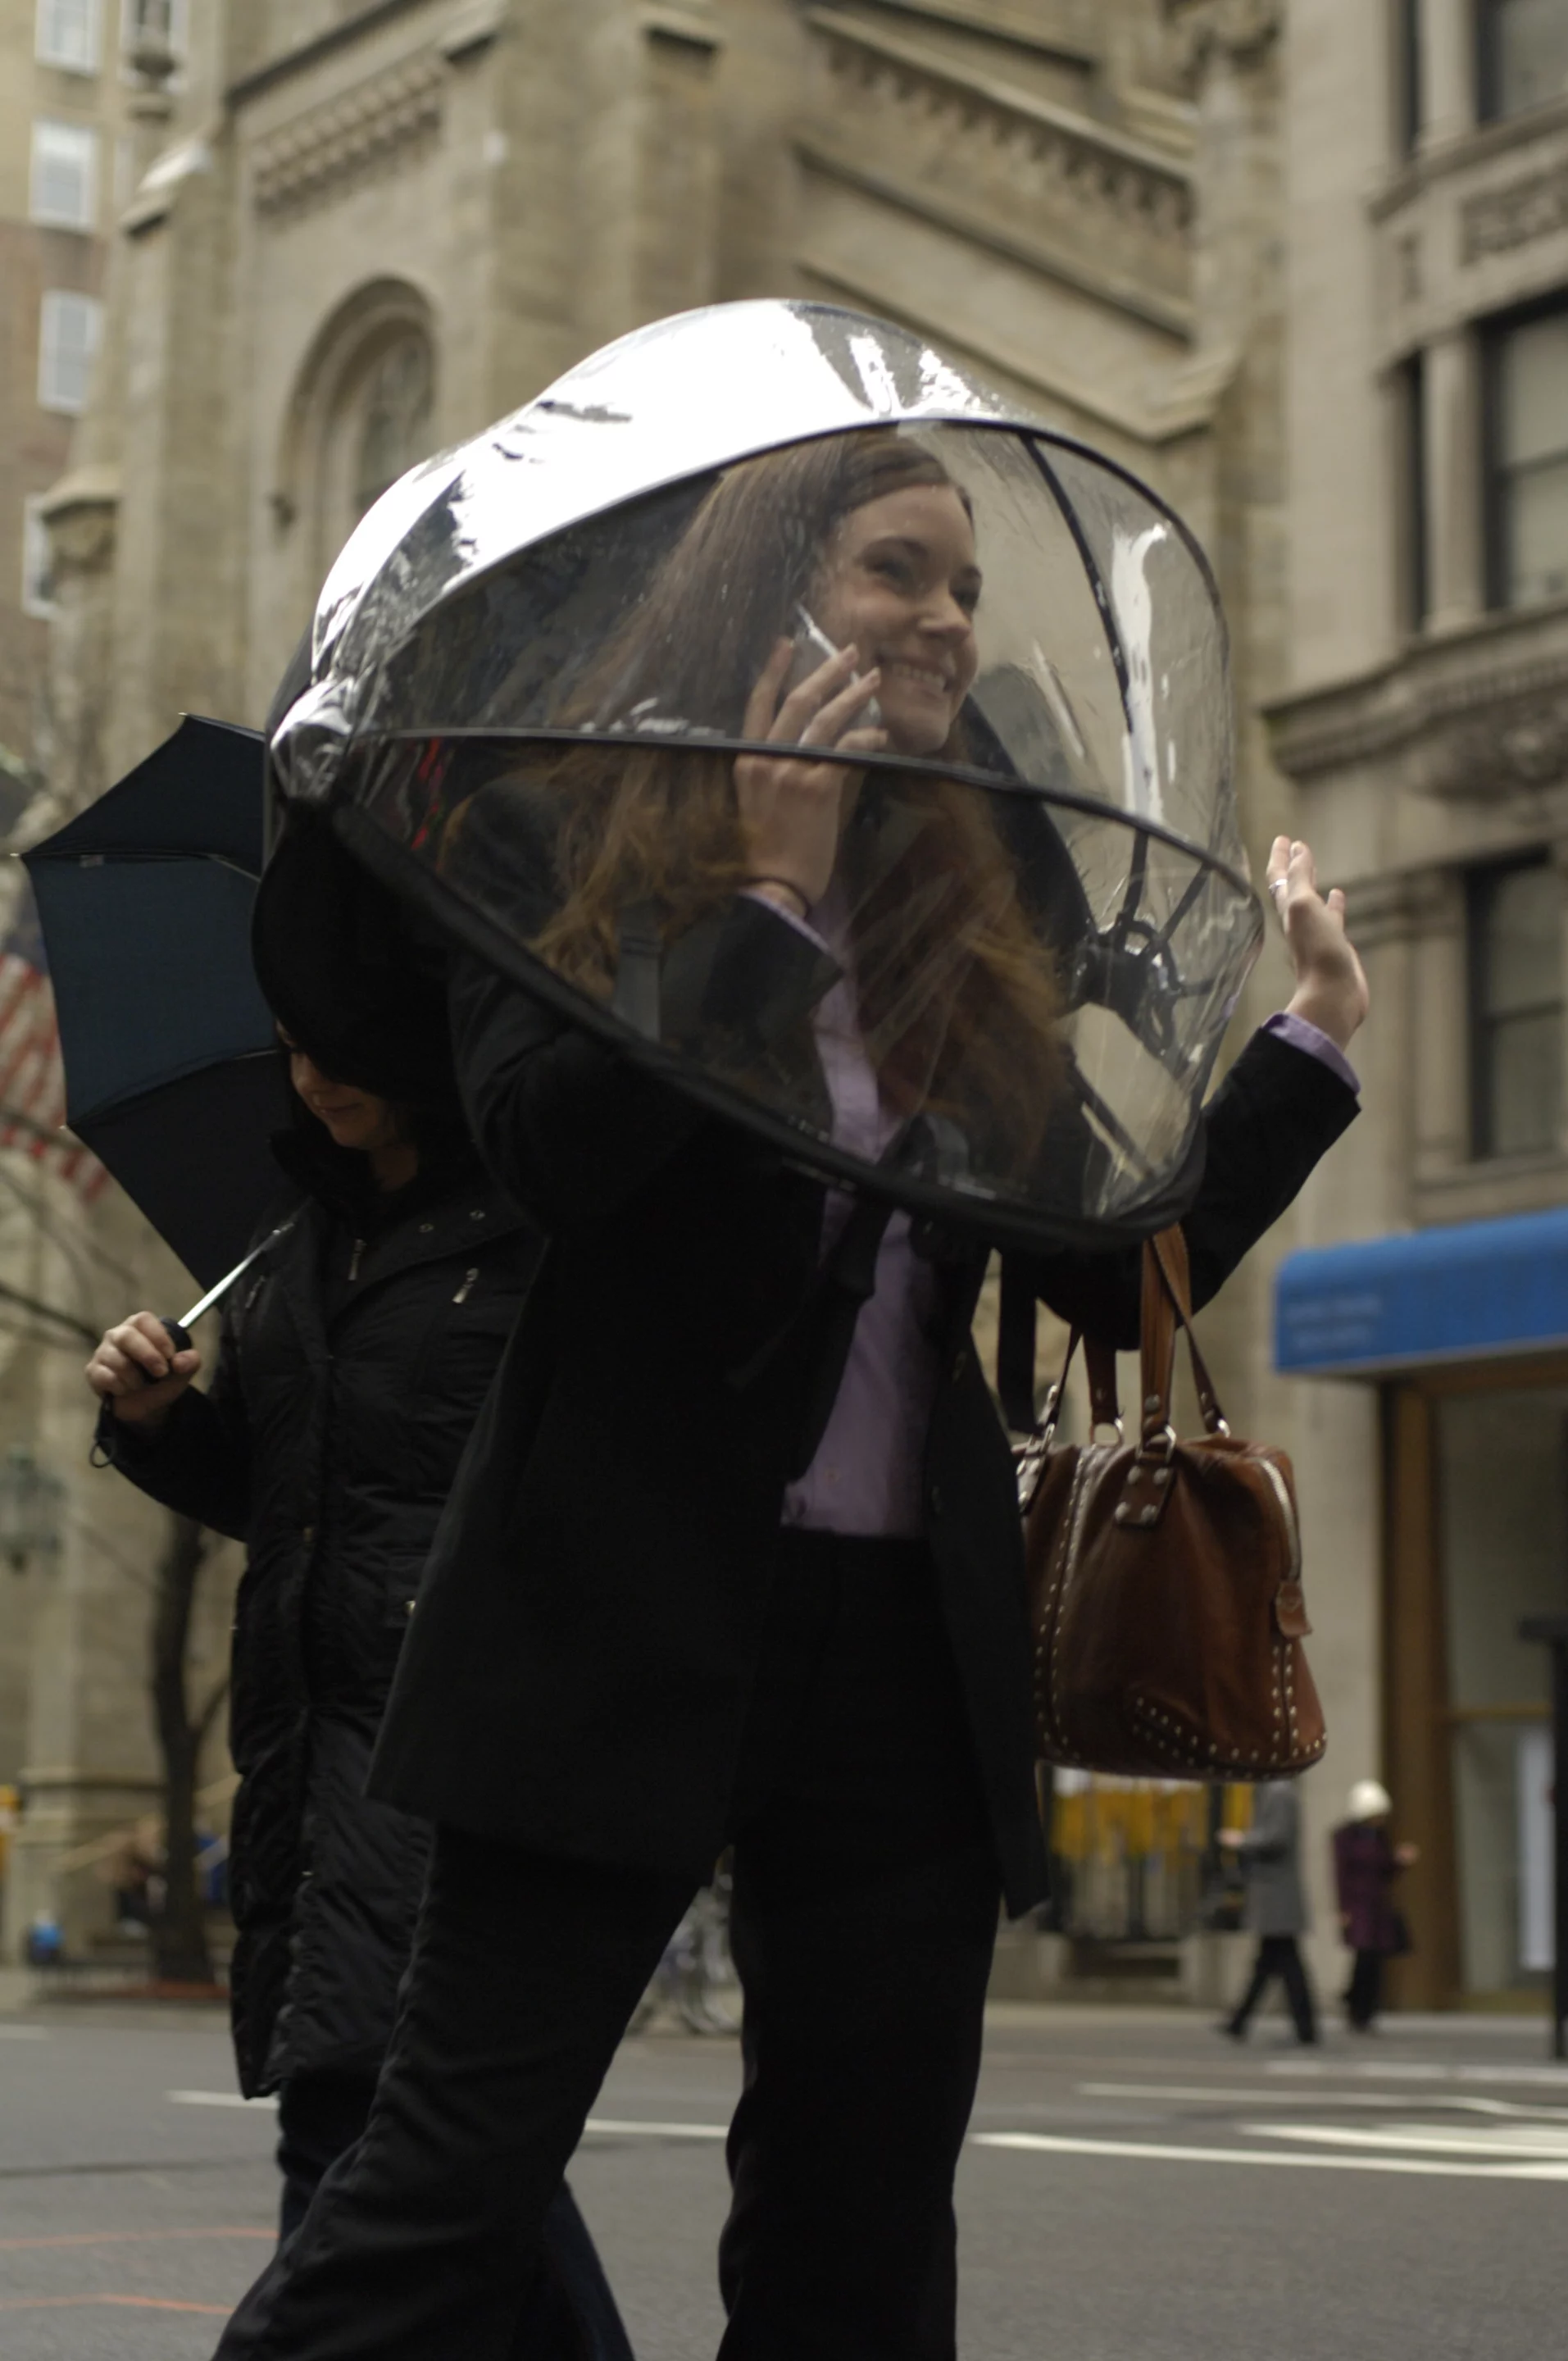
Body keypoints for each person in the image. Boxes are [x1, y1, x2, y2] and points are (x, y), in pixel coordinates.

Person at [212, 430, 1369, 2361]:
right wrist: (760, 895)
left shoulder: (961, 896)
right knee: (447, 2186)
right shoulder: (571, 835)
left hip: (900, 1641)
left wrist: (1307, 1046)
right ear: (775, 587)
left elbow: (1089, 1263)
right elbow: (556, 1156)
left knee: (860, 2226)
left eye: (963, 586)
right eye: (894, 569)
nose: (939, 620)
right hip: (617, 1599)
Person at [85, 1014, 633, 2360]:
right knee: (428, 2167)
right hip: (301, 1762)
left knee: (381, 2158)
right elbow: (299, 1508)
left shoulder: (533, 1229)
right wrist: (158, 1426)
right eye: (292, 1042)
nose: (314, 1071)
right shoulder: (290, 1239)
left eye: (344, 1037)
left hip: (444, 1752)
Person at [1217, 1780, 1318, 2045]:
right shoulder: (1273, 1790)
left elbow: (1276, 1837)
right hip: (1273, 1894)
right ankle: (1241, 2020)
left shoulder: (1279, 1792)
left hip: (1277, 1894)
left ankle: (1301, 2026)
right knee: (1272, 1963)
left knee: (1283, 1963)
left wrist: (1241, 1840)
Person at [1333, 1778, 1417, 2031]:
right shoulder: (1345, 1837)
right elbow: (1340, 1874)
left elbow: (1385, 1870)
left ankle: (1366, 2010)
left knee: (1375, 1960)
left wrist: (1400, 1862)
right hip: (1358, 1905)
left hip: (1377, 1904)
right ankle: (1355, 2005)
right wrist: (1343, 1908)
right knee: (1364, 1957)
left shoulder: (1379, 1837)